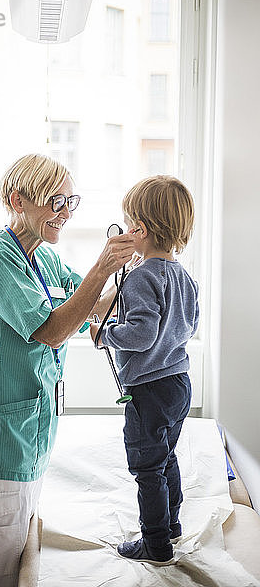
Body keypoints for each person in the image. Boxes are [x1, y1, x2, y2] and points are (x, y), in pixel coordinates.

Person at [0, 153, 136, 587]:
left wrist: (144, 270)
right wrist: (102, 267)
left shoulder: (47, 259)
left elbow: (93, 302)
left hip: (30, 439)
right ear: (18, 199)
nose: (65, 213)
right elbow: (52, 331)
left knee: (19, 569)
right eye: (55, 201)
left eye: (70, 202)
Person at [90, 175, 199, 566]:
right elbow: (186, 324)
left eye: (127, 222)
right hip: (179, 383)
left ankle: (155, 545)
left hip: (149, 391)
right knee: (166, 455)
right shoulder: (184, 277)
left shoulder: (140, 277)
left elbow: (140, 336)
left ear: (142, 230)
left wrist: (104, 334)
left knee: (146, 467)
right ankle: (171, 525)